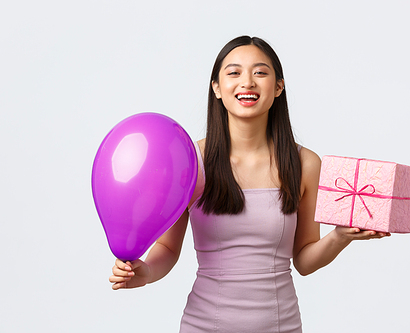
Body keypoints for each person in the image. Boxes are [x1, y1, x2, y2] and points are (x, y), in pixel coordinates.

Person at [109, 36, 389, 332]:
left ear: (278, 86)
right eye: (233, 73)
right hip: (204, 325)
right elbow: (167, 247)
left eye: (260, 72)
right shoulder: (191, 161)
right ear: (216, 87)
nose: (247, 82)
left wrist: (339, 237)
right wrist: (146, 271)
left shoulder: (306, 164)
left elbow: (304, 261)